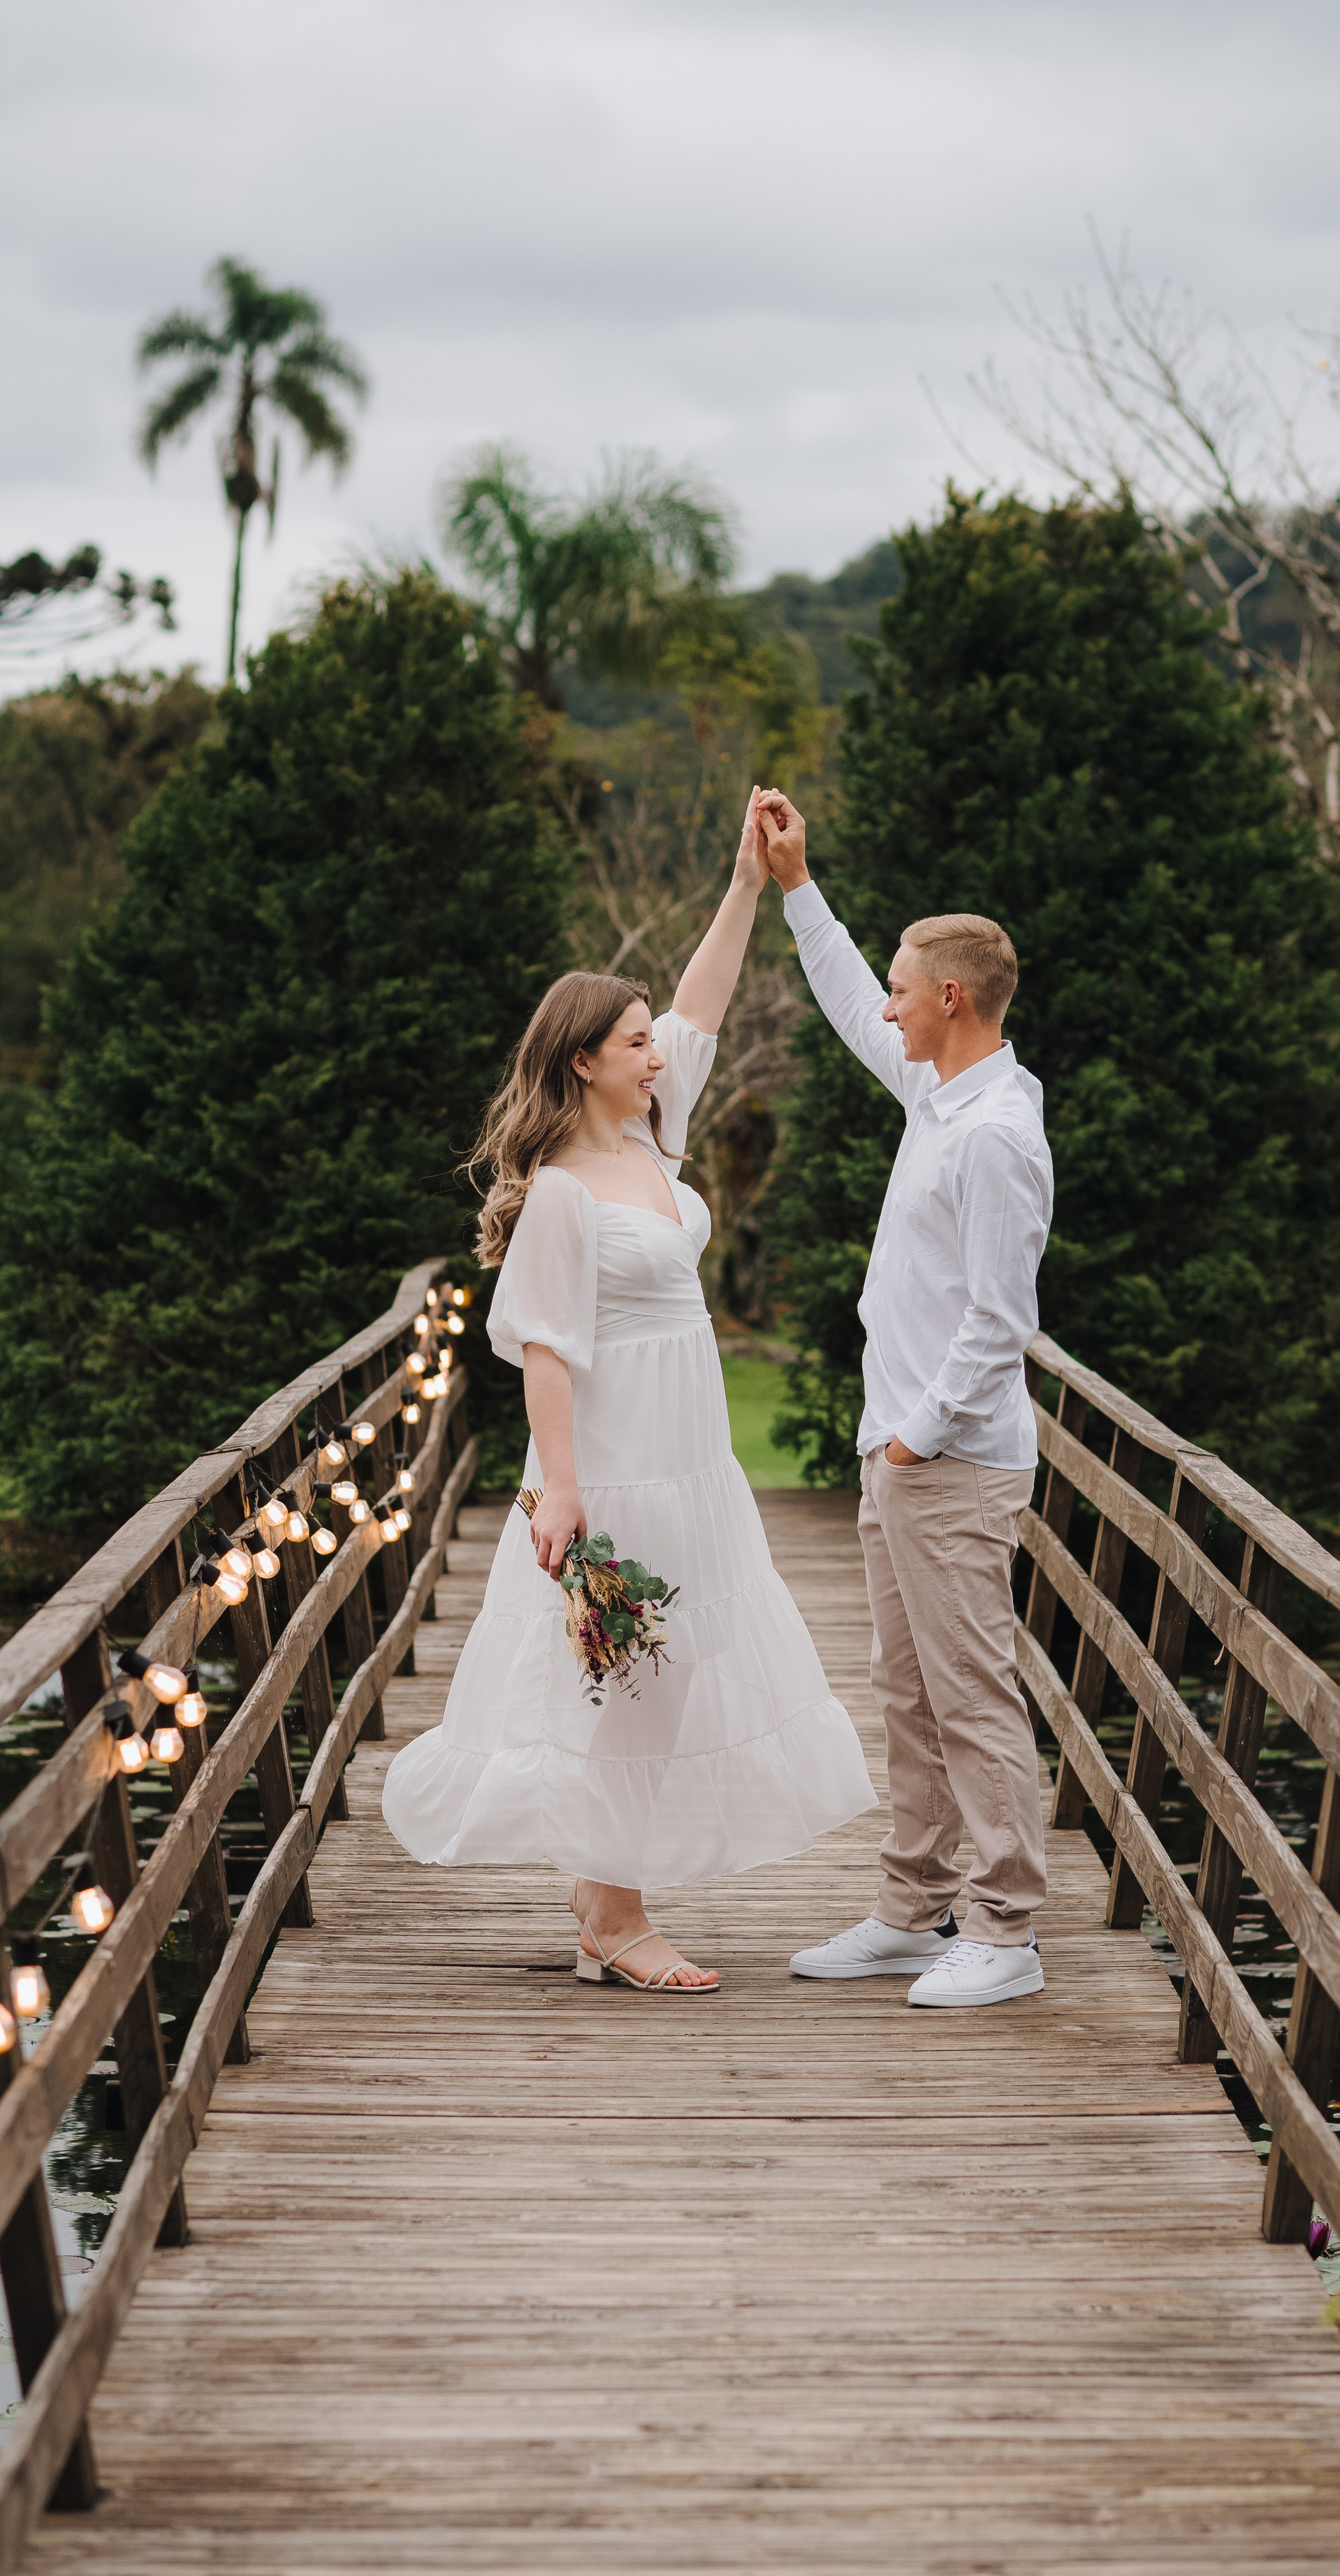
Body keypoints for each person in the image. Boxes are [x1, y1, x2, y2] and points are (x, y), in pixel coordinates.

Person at [381, 790, 875, 1992]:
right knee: (628, 1670)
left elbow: (704, 994)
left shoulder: (653, 1143)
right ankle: (614, 1916)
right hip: (611, 1458)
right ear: (583, 1063)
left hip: (692, 1455)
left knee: (658, 1664)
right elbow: (544, 1347)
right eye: (638, 1041)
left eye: (657, 1040)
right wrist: (561, 1494)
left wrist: (751, 881)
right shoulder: (560, 1190)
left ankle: (606, 1896)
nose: (663, 1050)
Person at [767, 794, 1056, 2009]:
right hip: (903, 1462)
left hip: (952, 1460)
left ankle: (1005, 1930)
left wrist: (915, 1437)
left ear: (952, 999)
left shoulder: (994, 1134)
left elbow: (1003, 1321)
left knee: (972, 1692)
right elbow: (844, 1003)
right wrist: (796, 885)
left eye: (903, 985)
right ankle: (911, 1902)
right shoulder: (938, 1095)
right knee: (907, 1689)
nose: (886, 1001)